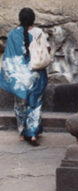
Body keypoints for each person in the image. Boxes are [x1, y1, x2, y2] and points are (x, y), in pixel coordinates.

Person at [0, 8, 49, 145]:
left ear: (20, 19)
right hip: (36, 76)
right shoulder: (39, 33)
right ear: (33, 19)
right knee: (35, 104)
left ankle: (22, 133)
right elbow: (46, 50)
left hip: (19, 78)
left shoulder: (12, 34)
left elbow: (8, 58)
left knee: (20, 105)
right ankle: (32, 134)